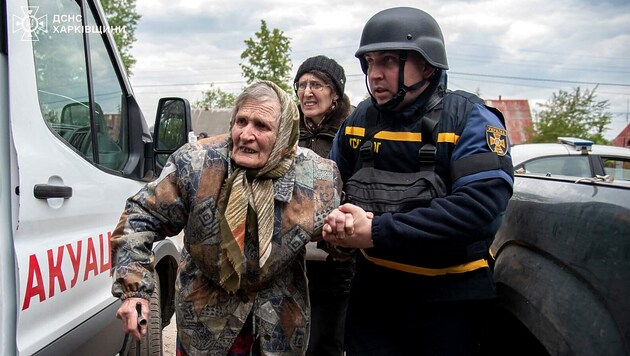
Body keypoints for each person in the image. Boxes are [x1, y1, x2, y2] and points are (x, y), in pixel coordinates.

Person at [322, 7, 514, 356]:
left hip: (450, 303)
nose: (375, 74)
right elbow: (330, 191)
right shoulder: (358, 121)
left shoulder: (469, 119)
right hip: (374, 298)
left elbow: (480, 207)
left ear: (427, 65)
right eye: (370, 62)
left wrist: (377, 230)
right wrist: (337, 222)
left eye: (389, 61)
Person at [111, 81, 342, 355]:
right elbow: (141, 216)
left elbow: (338, 243)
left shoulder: (318, 177)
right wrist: (134, 287)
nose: (246, 134)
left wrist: (343, 235)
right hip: (204, 324)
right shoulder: (195, 164)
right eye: (241, 121)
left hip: (278, 327)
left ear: (284, 135)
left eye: (261, 126)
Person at [293, 55, 354, 356]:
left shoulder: (351, 131)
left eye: (316, 84)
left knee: (326, 341)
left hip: (336, 257)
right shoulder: (287, 130)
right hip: (291, 255)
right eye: (302, 85)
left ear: (335, 94)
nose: (307, 92)